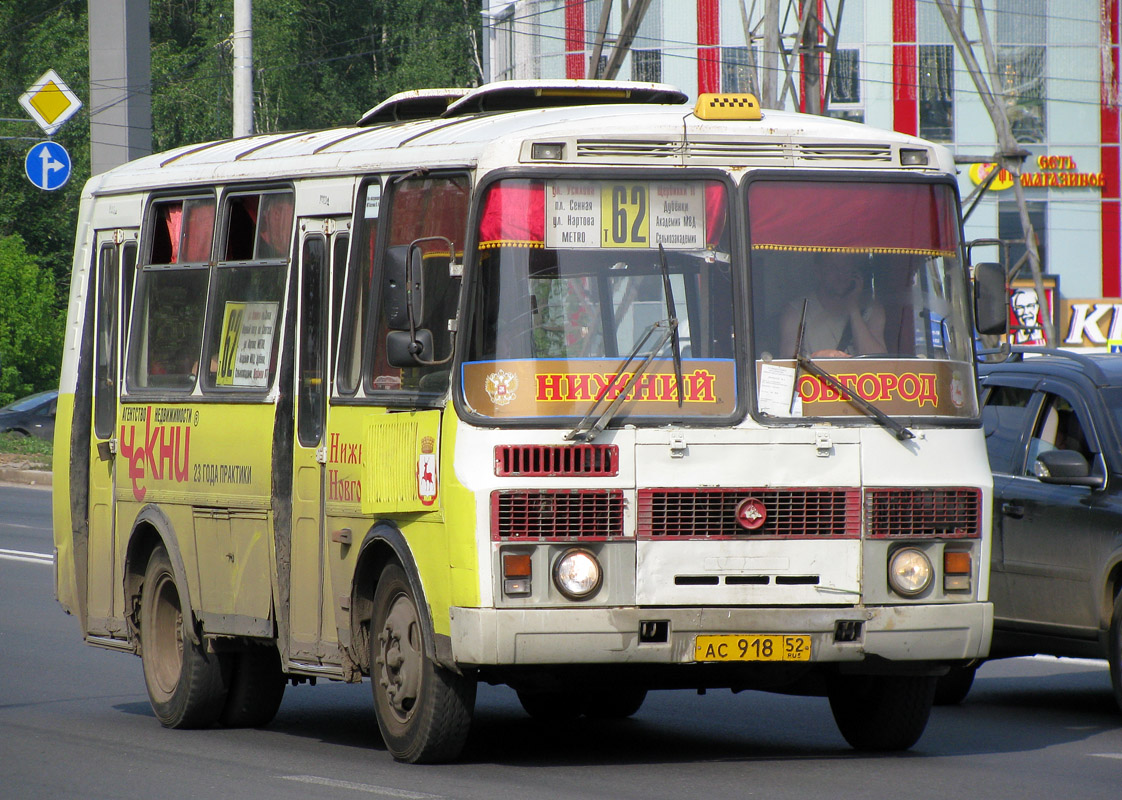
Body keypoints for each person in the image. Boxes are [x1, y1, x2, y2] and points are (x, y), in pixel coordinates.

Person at [779, 251, 887, 358]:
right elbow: (788, 363)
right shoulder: (797, 311)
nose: (841, 275)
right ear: (818, 272)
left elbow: (878, 361)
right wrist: (816, 357)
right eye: (833, 268)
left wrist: (853, 309)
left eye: (846, 268)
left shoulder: (871, 309)